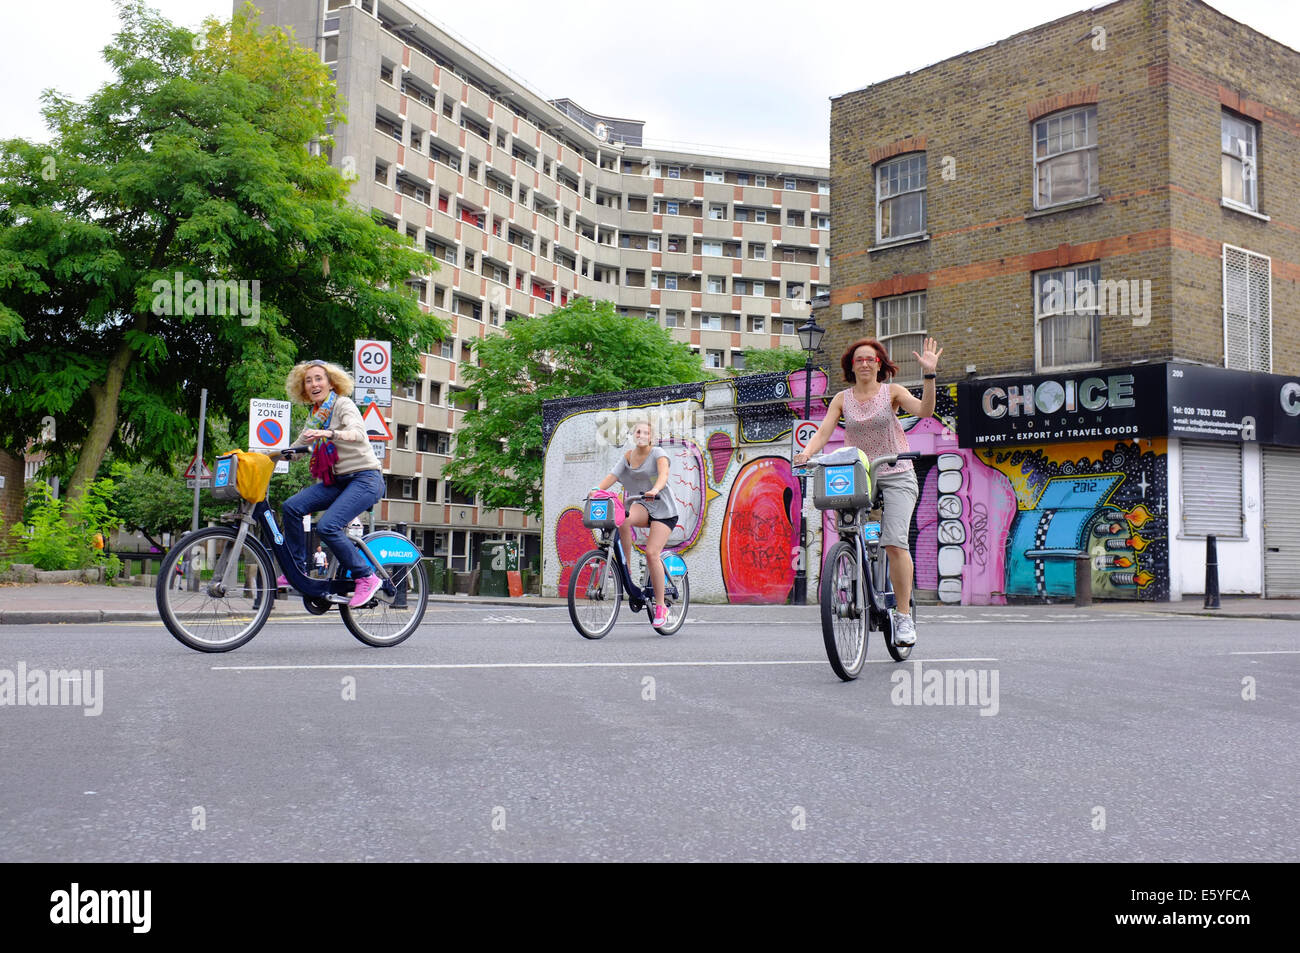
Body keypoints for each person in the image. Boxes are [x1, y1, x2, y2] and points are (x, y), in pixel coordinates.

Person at [793, 337, 942, 646]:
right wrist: (806, 453)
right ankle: (854, 576)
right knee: (849, 532)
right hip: (859, 473)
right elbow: (823, 432)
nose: (863, 363)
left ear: (879, 365)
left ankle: (902, 617)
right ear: (851, 366)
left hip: (896, 471)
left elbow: (926, 411)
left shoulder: (893, 392)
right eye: (858, 359)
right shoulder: (842, 399)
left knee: (894, 542)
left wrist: (929, 375)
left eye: (869, 359)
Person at [278, 360, 385, 607]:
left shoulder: (342, 405)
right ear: (303, 388)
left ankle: (367, 577)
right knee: (292, 507)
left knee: (327, 526)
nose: (314, 384)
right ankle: (297, 570)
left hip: (365, 478)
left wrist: (331, 434)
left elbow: (358, 433)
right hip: (337, 482)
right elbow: (297, 448)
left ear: (330, 382)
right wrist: (269, 455)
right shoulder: (316, 417)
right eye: (308, 380)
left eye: (318, 378)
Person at [591, 419, 679, 628]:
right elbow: (611, 476)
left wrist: (655, 490)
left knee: (651, 553)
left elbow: (663, 474)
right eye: (637, 431)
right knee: (622, 518)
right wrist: (596, 491)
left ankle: (660, 606)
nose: (641, 435)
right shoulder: (628, 457)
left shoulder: (658, 453)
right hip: (643, 506)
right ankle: (627, 568)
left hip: (663, 509)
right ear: (633, 435)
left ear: (651, 437)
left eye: (645, 432)